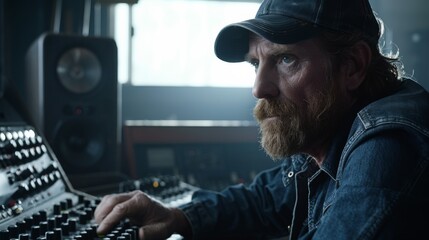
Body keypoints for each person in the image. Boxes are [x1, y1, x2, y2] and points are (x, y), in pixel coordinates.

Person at [94, 0, 429, 239]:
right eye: (256, 64)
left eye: (285, 59)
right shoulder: (325, 134)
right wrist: (176, 217)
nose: (259, 88)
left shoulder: (388, 146)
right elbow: (266, 199)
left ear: (353, 66)